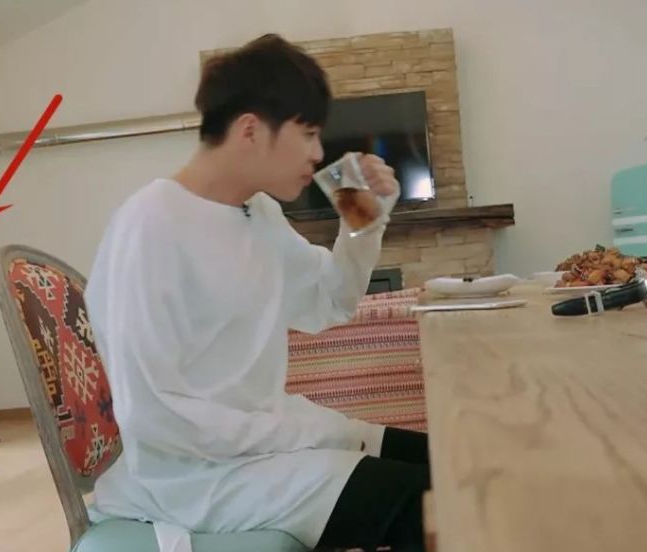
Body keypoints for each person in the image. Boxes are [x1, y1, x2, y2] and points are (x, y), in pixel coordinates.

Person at [85, 33, 430, 552]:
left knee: (451, 460)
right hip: (198, 479)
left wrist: (363, 219)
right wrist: (303, 433)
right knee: (432, 498)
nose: (318, 153)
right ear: (250, 130)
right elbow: (154, 415)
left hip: (263, 450)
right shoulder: (150, 225)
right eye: (308, 133)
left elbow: (329, 302)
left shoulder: (259, 214)